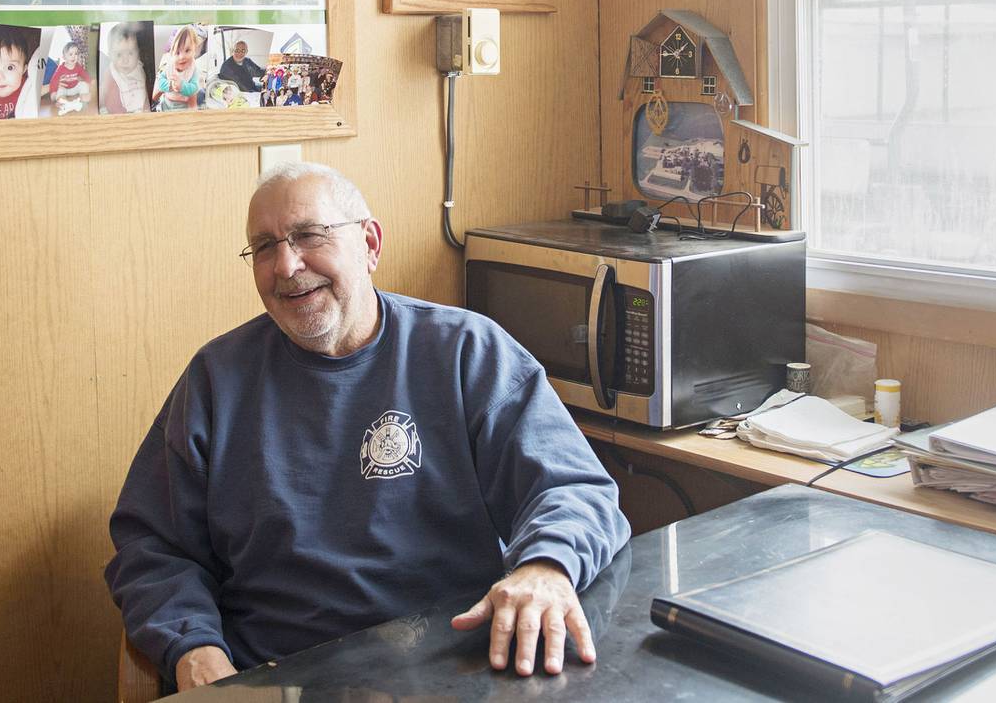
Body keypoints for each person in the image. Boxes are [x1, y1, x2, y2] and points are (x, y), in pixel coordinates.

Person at [105, 163, 630, 692]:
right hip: (277, 676)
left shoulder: (467, 352)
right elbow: (153, 546)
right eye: (264, 247)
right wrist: (194, 649)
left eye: (309, 235)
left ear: (370, 242)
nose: (286, 265)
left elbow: (574, 488)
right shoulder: (217, 380)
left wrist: (546, 566)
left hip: (457, 666)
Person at [99, 22, 150, 115]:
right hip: (117, 116)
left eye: (130, 53)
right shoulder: (111, 73)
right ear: (110, 55)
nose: (125, 60)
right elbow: (106, 97)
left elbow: (144, 95)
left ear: (138, 53)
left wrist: (146, 110)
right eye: (119, 55)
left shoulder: (139, 70)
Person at [153, 24, 202, 111]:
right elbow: (160, 80)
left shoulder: (193, 69)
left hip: (183, 106)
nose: (182, 57)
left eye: (187, 50)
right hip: (166, 103)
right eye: (177, 53)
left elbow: (194, 88)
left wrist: (182, 86)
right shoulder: (170, 66)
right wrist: (170, 85)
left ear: (195, 49)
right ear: (172, 54)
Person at [48, 40, 92, 115]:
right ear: (64, 57)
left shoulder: (78, 66)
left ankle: (83, 96)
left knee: (83, 84)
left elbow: (85, 75)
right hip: (65, 89)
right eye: (70, 54)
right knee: (60, 89)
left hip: (75, 88)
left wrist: (89, 82)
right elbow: (54, 81)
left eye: (76, 54)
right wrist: (53, 92)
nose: (74, 56)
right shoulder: (60, 69)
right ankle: (62, 101)